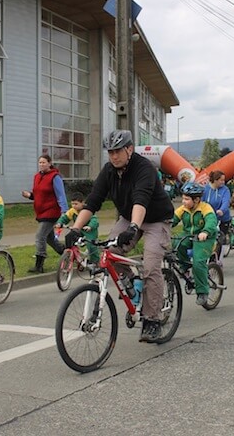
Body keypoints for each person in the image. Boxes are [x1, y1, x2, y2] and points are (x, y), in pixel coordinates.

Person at [64, 130, 173, 343]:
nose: (113, 156)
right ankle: (132, 282)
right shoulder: (109, 171)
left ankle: (152, 320)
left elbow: (140, 200)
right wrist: (75, 228)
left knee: (151, 266)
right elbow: (93, 201)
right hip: (128, 216)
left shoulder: (144, 168)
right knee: (109, 253)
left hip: (156, 219)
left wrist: (133, 227)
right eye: (110, 152)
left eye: (117, 151)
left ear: (129, 149)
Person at [172, 182, 218, 306]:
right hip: (189, 235)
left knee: (198, 262)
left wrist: (206, 232)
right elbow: (172, 220)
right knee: (176, 244)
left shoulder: (205, 208)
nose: (183, 201)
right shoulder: (183, 209)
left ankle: (202, 292)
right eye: (183, 198)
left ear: (196, 199)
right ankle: (185, 268)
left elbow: (211, 221)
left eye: (186, 199)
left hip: (205, 238)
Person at [21, 155, 67, 274]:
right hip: (41, 212)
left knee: (40, 236)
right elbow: (38, 195)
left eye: (44, 162)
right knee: (49, 238)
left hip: (51, 212)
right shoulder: (37, 177)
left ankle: (39, 265)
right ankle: (67, 253)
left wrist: (64, 211)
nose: (41, 164)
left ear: (49, 163)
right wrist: (29, 195)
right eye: (40, 162)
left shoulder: (55, 177)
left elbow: (60, 194)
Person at [55, 192, 100, 265]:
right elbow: (65, 218)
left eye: (76, 204)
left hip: (89, 232)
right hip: (78, 230)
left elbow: (94, 220)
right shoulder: (72, 211)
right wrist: (59, 223)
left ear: (82, 202)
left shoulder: (88, 210)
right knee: (69, 237)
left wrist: (90, 226)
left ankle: (95, 262)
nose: (74, 206)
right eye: (72, 204)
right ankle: (70, 254)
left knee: (91, 246)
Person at [202, 170, 231, 261]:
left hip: (222, 218)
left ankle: (218, 260)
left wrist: (222, 210)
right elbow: (202, 202)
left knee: (220, 240)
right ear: (214, 180)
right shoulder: (206, 189)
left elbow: (226, 202)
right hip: (209, 217)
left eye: (224, 180)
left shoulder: (225, 190)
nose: (223, 182)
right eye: (221, 180)